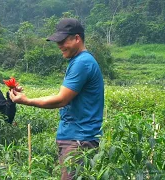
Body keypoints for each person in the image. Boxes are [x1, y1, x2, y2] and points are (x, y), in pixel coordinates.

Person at [9, 18, 104, 180]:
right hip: (75, 137)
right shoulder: (79, 61)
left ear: (77, 38)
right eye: (57, 41)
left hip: (79, 140)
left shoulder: (82, 63)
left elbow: (61, 100)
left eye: (63, 40)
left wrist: (27, 100)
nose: (59, 45)